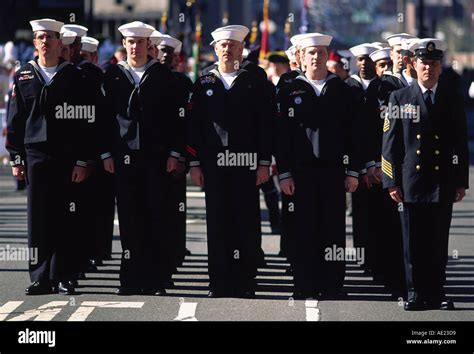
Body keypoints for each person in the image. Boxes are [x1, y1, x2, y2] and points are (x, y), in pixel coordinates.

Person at [6, 18, 93, 295]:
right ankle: (41, 276)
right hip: (35, 155)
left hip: (67, 156)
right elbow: (15, 121)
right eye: (40, 37)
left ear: (59, 43)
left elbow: (85, 123)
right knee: (38, 219)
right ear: (35, 43)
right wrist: (16, 158)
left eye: (50, 37)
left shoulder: (74, 76)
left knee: (67, 216)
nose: (45, 42)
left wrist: (82, 159)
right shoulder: (24, 75)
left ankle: (64, 275)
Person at [382, 39, 469, 311]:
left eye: (433, 64)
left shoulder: (451, 97)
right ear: (413, 64)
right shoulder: (400, 98)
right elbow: (390, 145)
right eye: (423, 63)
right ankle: (415, 293)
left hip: (441, 181)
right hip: (411, 181)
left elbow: (459, 143)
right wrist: (392, 181)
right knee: (413, 242)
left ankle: (437, 292)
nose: (428, 68)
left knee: (437, 242)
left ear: (440, 67)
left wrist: (460, 181)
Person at [186, 25, 272, 298]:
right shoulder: (204, 81)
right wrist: (195, 163)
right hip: (214, 163)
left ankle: (245, 281)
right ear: (215, 49)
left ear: (241, 49)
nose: (227, 49)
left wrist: (263, 162)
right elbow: (194, 125)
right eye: (223, 45)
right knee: (218, 222)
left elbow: (265, 124)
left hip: (246, 162)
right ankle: (219, 282)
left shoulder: (255, 80)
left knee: (245, 222)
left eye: (233, 45)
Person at [275, 33, 362, 299]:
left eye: (321, 52)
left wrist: (352, 171)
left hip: (333, 171)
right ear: (301, 57)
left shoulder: (342, 90)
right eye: (311, 53)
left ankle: (333, 285)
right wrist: (286, 172)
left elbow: (353, 134)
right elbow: (282, 135)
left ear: (327, 56)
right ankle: (304, 284)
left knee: (333, 229)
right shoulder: (289, 90)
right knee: (304, 229)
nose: (316, 57)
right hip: (301, 173)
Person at [102, 21, 184, 296]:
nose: (135, 47)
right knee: (129, 219)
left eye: (140, 42)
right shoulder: (113, 75)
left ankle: (156, 279)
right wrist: (105, 153)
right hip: (123, 156)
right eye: (130, 42)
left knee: (155, 217)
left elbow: (176, 118)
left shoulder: (163, 75)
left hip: (156, 157)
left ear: (148, 45)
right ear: (123, 44)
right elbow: (103, 119)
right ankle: (130, 278)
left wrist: (175, 153)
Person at [157, 33, 192, 271]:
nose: (163, 55)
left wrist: (182, 156)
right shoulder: (147, 79)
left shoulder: (183, 83)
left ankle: (175, 250)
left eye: (168, 52)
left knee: (174, 206)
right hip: (149, 154)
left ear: (176, 58)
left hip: (176, 155)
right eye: (160, 50)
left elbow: (189, 124)